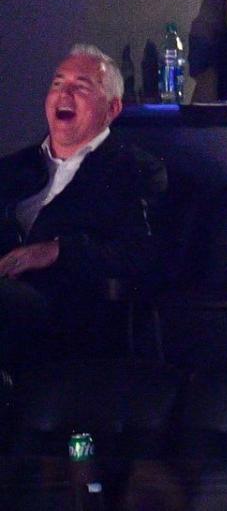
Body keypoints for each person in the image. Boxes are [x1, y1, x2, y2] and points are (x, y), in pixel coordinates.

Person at [0, 45, 167, 366]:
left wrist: (58, 251)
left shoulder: (134, 171)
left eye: (81, 87)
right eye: (58, 84)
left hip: (65, 306)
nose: (64, 93)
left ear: (112, 108)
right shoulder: (12, 168)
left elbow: (143, 255)